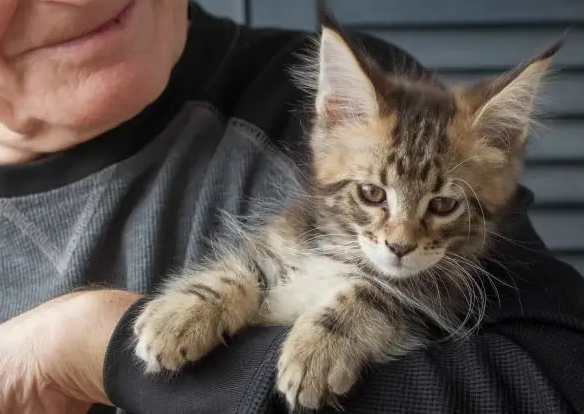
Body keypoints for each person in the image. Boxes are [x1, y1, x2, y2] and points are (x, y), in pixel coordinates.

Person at [0, 1, 583, 413]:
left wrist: (94, 346)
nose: (401, 236)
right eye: (373, 195)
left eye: (442, 204)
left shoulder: (375, 108)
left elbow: (558, 385)